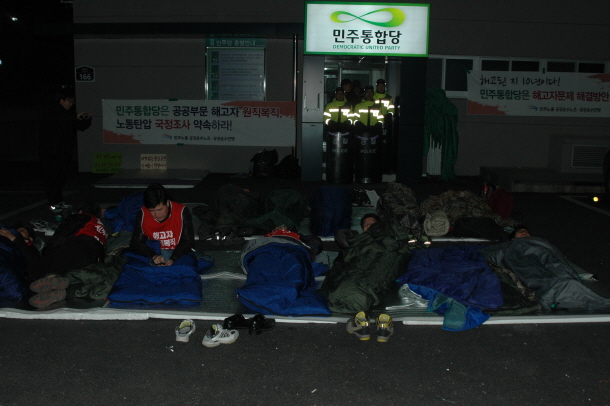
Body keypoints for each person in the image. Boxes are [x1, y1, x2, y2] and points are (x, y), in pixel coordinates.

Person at [26, 202, 107, 308]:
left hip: (77, 248)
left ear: (81, 211)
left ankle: (48, 283)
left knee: (37, 269)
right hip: (92, 258)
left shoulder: (81, 217)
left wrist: (48, 252)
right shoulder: (101, 227)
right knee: (67, 276)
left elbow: (62, 234)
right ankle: (56, 288)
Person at [38, 89, 92, 213]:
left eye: (73, 102)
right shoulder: (52, 111)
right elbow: (60, 119)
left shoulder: (68, 114)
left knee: (60, 177)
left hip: (63, 152)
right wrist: (75, 117)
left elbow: (80, 126)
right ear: (61, 100)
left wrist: (86, 118)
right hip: (50, 152)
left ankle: (59, 201)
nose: (71, 104)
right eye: (69, 101)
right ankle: (53, 203)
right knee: (51, 178)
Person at [130, 183, 195, 267]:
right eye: (151, 210)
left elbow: (188, 242)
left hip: (177, 252)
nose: (157, 214)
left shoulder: (181, 212)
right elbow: (136, 243)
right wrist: (154, 256)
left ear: (167, 203)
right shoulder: (143, 215)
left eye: (160, 209)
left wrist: (173, 258)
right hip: (153, 252)